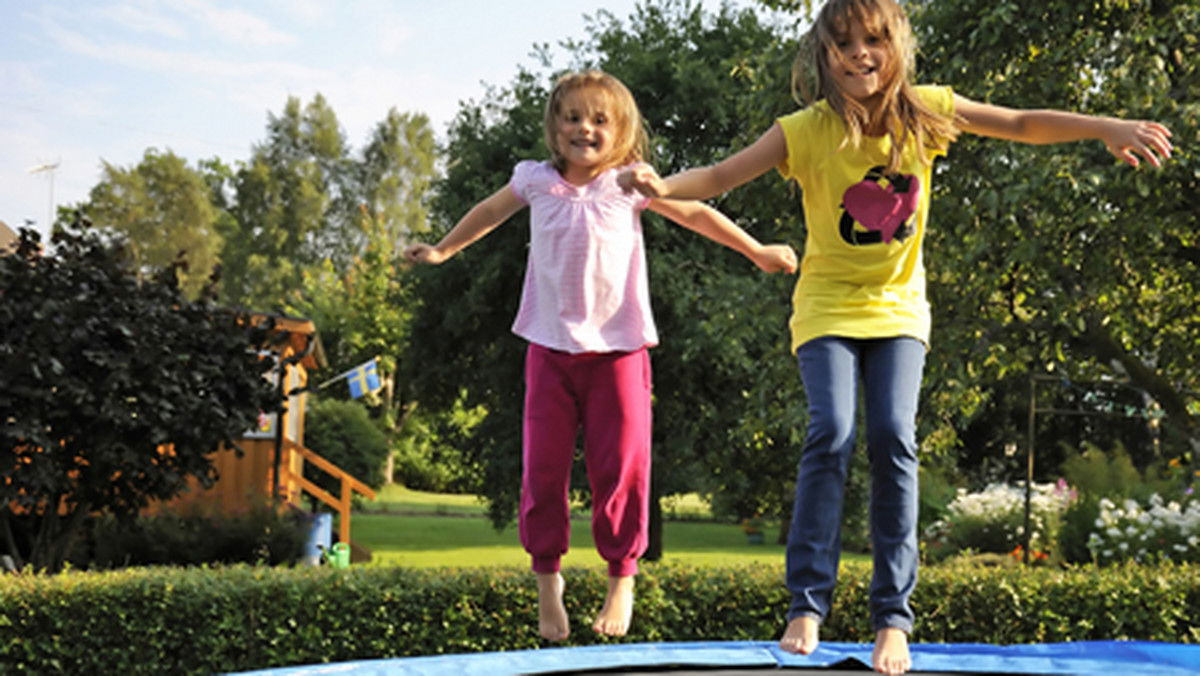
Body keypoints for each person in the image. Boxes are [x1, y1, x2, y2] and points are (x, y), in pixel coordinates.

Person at [618, 0, 1172, 673]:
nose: (860, 55)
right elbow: (722, 176)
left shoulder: (925, 110)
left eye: (873, 40)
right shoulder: (803, 131)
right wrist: (659, 184)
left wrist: (1104, 126)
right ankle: (806, 605)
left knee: (893, 436)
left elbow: (1021, 122)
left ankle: (892, 619)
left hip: (900, 309)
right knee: (834, 432)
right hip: (825, 305)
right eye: (845, 43)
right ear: (824, 57)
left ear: (895, 47)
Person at [404, 70, 798, 642]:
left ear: (620, 132)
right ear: (554, 126)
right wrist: (443, 248)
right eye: (572, 118)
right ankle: (548, 584)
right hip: (550, 348)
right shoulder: (535, 181)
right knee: (543, 471)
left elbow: (696, 213)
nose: (583, 129)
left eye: (598, 120)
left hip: (618, 350)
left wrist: (756, 249)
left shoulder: (631, 184)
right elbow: (488, 213)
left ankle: (622, 578)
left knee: (622, 469)